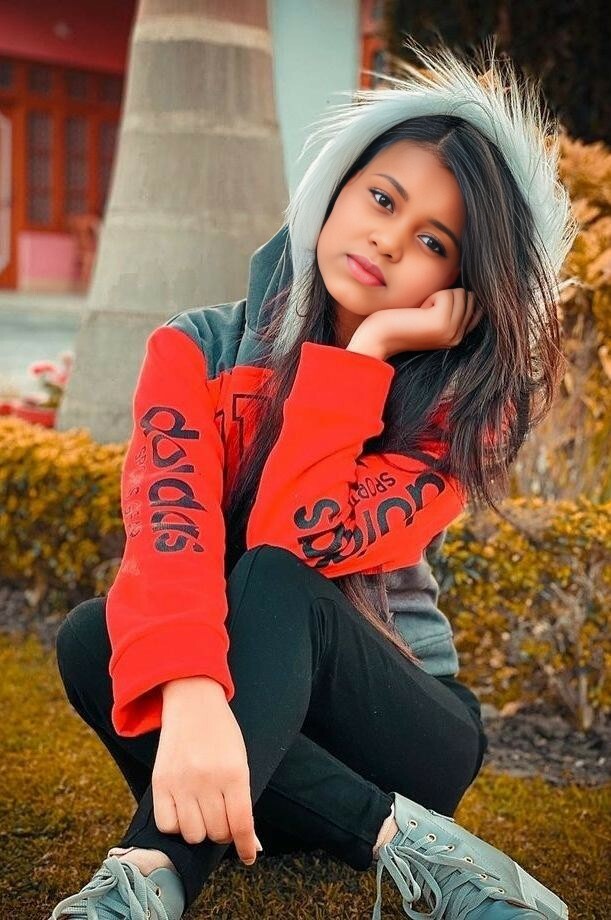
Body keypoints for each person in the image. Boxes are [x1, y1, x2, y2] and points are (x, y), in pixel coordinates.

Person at [49, 37, 577, 920]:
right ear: (336, 188)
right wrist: (192, 689)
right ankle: (395, 839)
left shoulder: (456, 412)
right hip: (246, 737)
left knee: (270, 575)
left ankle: (146, 877)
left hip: (403, 733)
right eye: (382, 198)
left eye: (431, 241)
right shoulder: (196, 349)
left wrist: (367, 354)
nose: (387, 239)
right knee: (90, 638)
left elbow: (296, 539)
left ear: (457, 282)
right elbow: (169, 533)